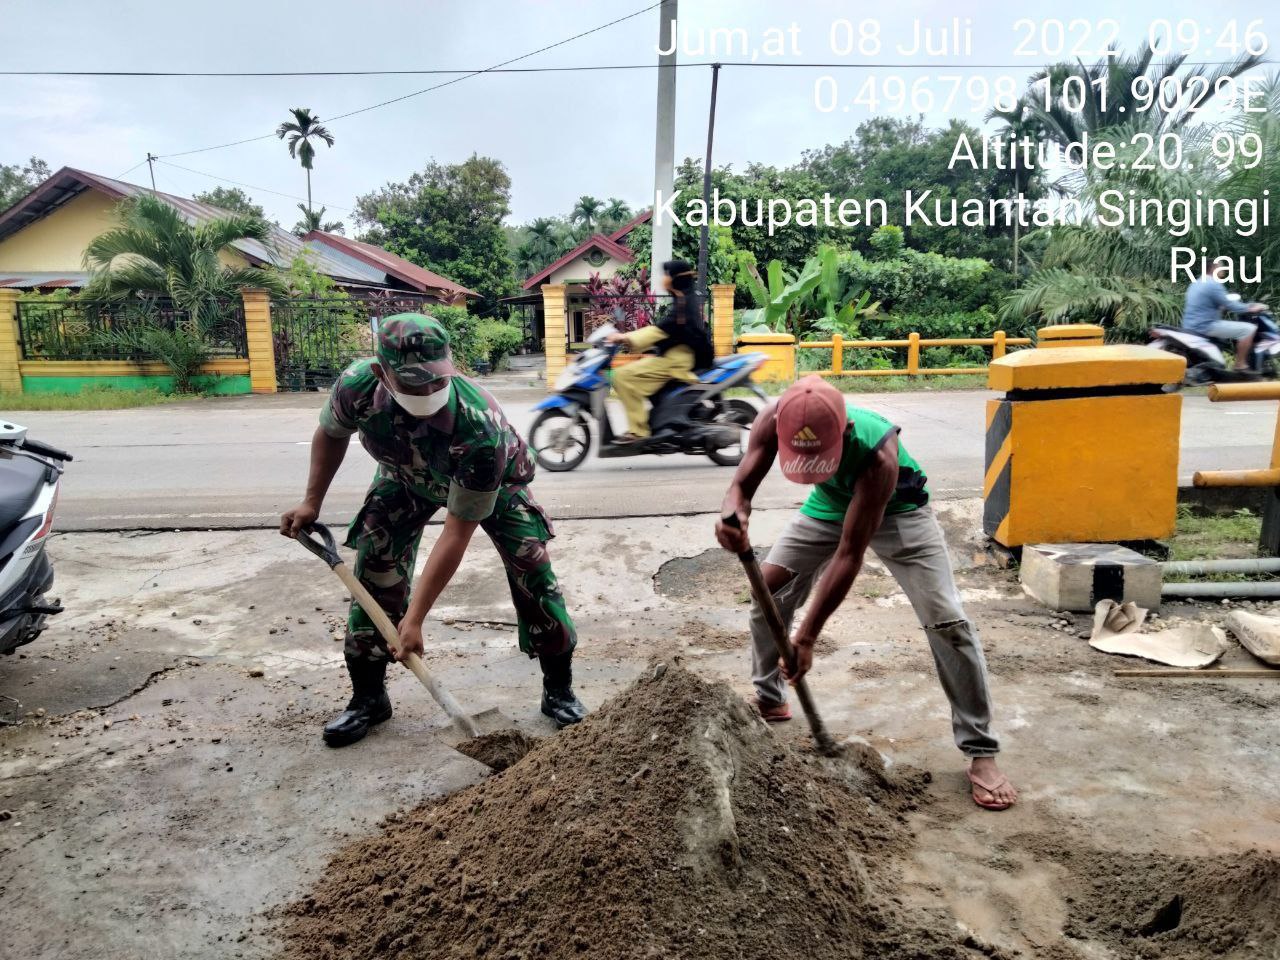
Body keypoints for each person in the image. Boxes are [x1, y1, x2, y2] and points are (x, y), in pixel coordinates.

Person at [280, 313, 586, 747]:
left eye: (434, 380)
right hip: (405, 478)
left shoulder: (481, 426)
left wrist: (416, 619)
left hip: (495, 487)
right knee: (375, 566)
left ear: (450, 364)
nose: (427, 391)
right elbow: (331, 434)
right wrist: (312, 501)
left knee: (532, 569)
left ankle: (559, 690)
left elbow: (456, 534)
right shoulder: (357, 386)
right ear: (380, 372)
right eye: (412, 382)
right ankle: (368, 698)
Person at [715, 375, 1018, 811]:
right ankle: (769, 695)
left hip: (898, 509)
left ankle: (981, 750)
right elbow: (741, 486)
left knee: (947, 619)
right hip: (828, 506)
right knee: (768, 593)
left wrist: (806, 639)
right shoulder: (771, 418)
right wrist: (733, 513)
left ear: (846, 433)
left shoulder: (879, 454)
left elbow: (849, 554)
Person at [606, 259, 714, 444]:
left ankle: (638, 432)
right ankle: (655, 421)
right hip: (675, 356)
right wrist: (653, 349)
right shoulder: (683, 298)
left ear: (676, 279)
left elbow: (660, 330)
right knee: (634, 371)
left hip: (676, 361)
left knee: (620, 376)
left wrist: (625, 338)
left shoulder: (683, 304)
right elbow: (671, 333)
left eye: (667, 275)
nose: (664, 279)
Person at [1183, 261, 1270, 371]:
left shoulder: (1196, 283)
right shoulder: (1213, 284)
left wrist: (1222, 307)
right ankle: (1240, 364)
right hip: (1206, 325)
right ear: (1215, 268)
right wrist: (1251, 307)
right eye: (1222, 267)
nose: (1224, 270)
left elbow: (1210, 303)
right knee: (1249, 329)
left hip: (1190, 325)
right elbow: (1231, 305)